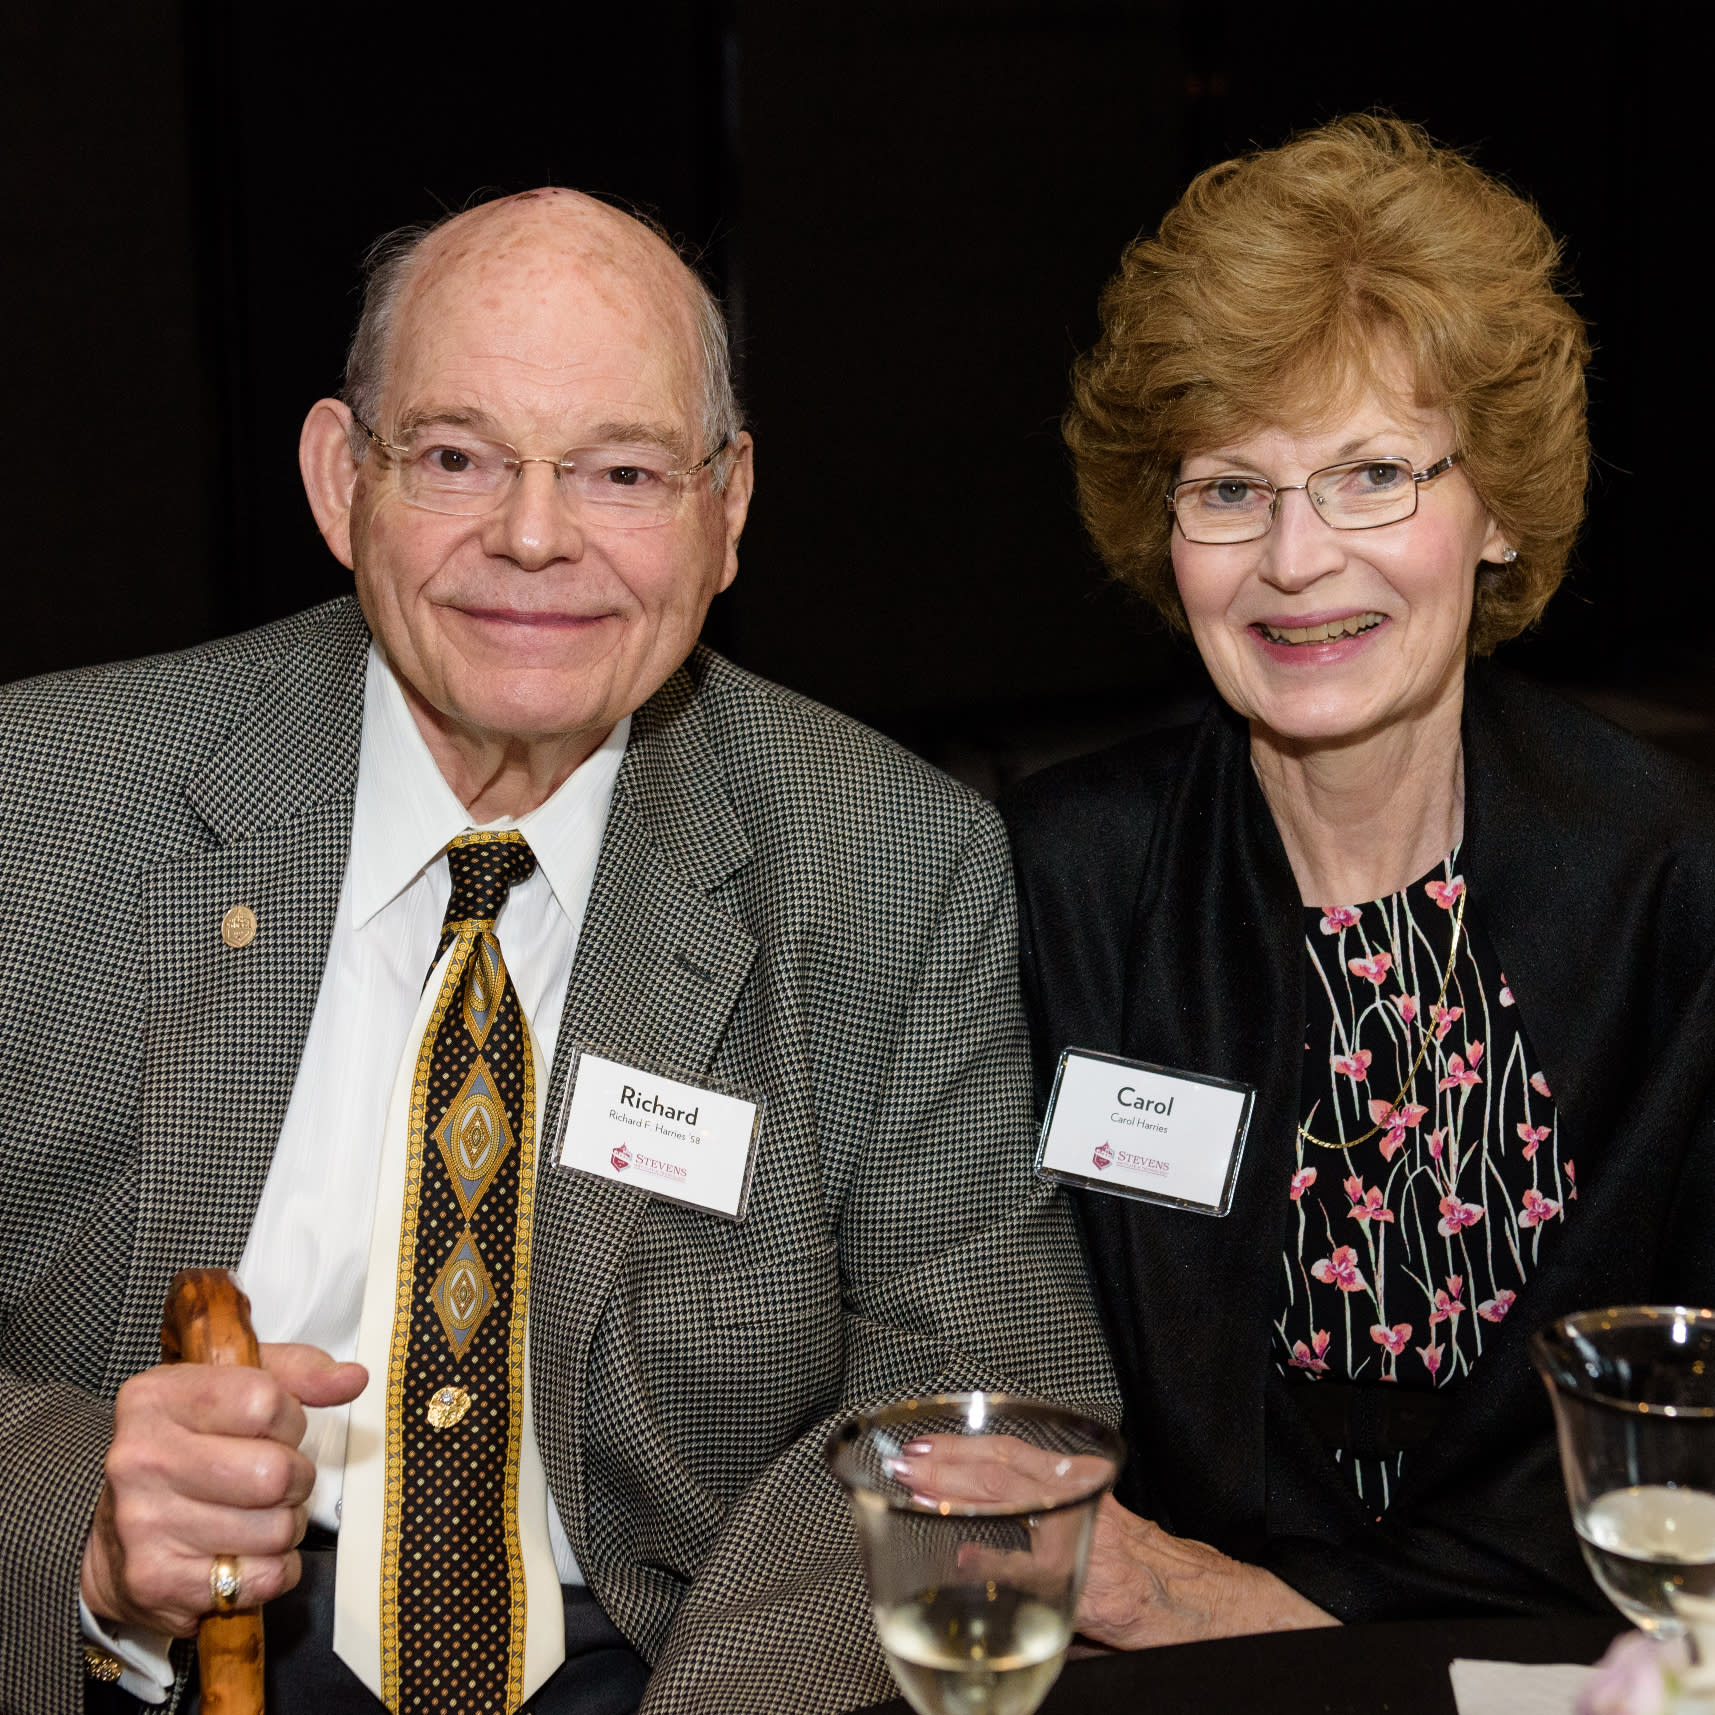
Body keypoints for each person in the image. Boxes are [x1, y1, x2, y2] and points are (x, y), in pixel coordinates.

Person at [0, 189, 1117, 1715]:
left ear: (727, 509)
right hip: (158, 1666)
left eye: (623, 471)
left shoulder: (888, 867)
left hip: (674, 1666)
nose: (533, 538)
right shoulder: (45, 801)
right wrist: (78, 1530)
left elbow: (986, 1404)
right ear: (342, 479)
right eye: (456, 458)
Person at [991, 117, 1715, 1641]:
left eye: (1372, 475)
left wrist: (1279, 1613)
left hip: (1576, 1654)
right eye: (1231, 491)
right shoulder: (1055, 886)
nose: (1299, 560)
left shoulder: (1671, 886)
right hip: (1157, 1669)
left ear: (1498, 508)